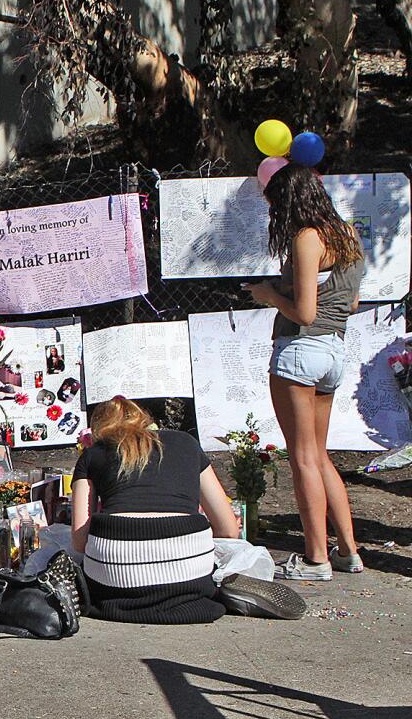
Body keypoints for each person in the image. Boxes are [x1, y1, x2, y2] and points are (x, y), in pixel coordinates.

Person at [72, 397, 303, 622]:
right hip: (188, 570)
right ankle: (223, 582)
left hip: (113, 578)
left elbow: (80, 541)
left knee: (63, 551)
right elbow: (229, 530)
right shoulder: (186, 443)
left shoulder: (92, 455)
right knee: (230, 550)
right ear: (146, 420)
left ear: (100, 430)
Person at [247, 164, 365, 581]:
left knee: (301, 459)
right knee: (319, 455)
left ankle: (316, 559)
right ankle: (349, 551)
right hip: (334, 348)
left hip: (300, 349)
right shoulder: (347, 234)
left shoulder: (306, 237)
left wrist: (269, 295)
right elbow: (348, 305)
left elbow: (304, 311)